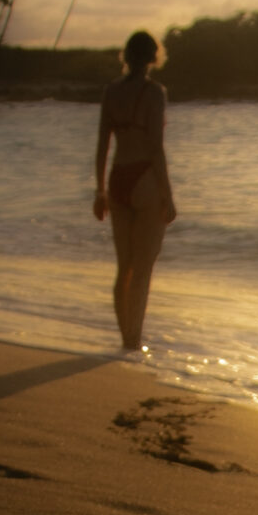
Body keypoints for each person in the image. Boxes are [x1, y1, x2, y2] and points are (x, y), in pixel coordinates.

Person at [93, 30, 176, 352]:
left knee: (124, 267)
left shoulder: (110, 92)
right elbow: (156, 148)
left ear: (125, 56)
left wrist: (99, 191)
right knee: (142, 269)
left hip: (117, 179)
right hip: (144, 180)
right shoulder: (155, 93)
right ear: (154, 57)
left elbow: (102, 145)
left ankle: (125, 336)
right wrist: (168, 196)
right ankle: (134, 341)